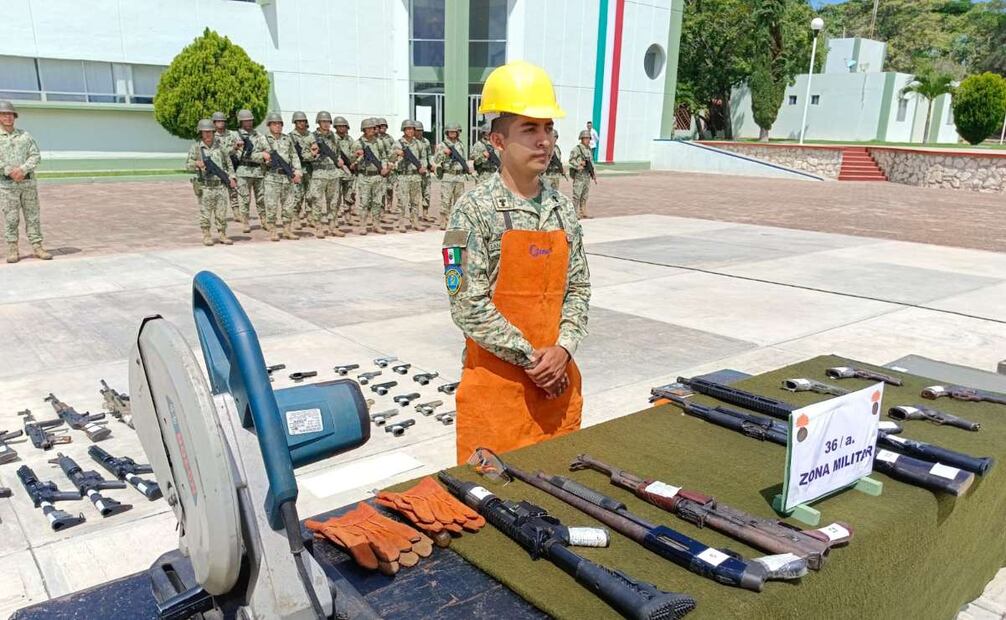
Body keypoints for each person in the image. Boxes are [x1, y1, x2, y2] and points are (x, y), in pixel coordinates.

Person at [443, 60, 591, 464]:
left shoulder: (563, 209)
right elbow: (466, 304)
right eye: (529, 129)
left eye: (548, 129)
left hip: (557, 389)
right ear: (498, 141)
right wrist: (533, 359)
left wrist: (563, 349)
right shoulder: (471, 211)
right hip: (497, 395)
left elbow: (578, 289)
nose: (544, 141)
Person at [1, 100, 51, 263]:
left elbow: (35, 155)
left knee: (33, 216)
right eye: (4, 114)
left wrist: (23, 170)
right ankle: (13, 249)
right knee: (11, 218)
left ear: (14, 117)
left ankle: (37, 247)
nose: (8, 117)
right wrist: (10, 171)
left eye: (10, 114)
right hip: (7, 186)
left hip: (27, 184)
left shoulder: (25, 135)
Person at [186, 119, 238, 246]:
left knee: (221, 212)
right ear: (201, 133)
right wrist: (196, 164)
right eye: (205, 132)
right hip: (205, 186)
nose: (208, 134)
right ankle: (207, 235)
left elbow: (228, 164)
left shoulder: (221, 147)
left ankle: (222, 234)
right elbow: (187, 165)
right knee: (205, 213)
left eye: (210, 132)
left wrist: (232, 177)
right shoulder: (196, 148)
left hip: (220, 185)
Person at [261, 112, 303, 241]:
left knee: (288, 205)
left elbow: (294, 156)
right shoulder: (263, 139)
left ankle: (287, 230)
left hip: (287, 177)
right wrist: (263, 157)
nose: (278, 126)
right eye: (274, 124)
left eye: (279, 124)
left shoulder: (287, 139)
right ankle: (273, 231)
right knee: (271, 205)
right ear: (269, 125)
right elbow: (252, 155)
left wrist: (298, 172)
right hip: (271, 177)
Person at [309, 111, 347, 238]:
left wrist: (340, 160)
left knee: (334, 202)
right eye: (323, 122)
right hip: (319, 173)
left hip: (333, 173)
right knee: (317, 202)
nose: (326, 124)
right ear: (318, 123)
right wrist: (313, 153)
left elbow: (338, 152)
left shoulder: (334, 137)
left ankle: (333, 226)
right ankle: (318, 227)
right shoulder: (311, 137)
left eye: (328, 122)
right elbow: (304, 155)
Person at [350, 117, 390, 235]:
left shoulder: (379, 142)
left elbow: (384, 157)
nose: (373, 130)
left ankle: (376, 224)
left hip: (377, 176)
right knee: (364, 202)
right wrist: (357, 156)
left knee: (377, 202)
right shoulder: (358, 143)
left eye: (373, 128)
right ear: (364, 130)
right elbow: (351, 162)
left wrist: (384, 168)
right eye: (370, 128)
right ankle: (362, 225)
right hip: (365, 176)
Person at [388, 119, 426, 232]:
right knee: (402, 201)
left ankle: (415, 222)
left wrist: (423, 166)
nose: (410, 131)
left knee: (415, 201)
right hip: (403, 176)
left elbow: (423, 158)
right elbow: (390, 159)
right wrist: (396, 153)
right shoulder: (398, 143)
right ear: (403, 130)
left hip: (416, 176)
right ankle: (401, 223)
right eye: (407, 129)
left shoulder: (419, 144)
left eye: (412, 129)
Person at [234, 109, 269, 230]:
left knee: (261, 198)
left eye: (250, 120)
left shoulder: (259, 135)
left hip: (259, 172)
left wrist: (260, 156)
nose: (248, 122)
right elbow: (240, 155)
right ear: (241, 122)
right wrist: (260, 156)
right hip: (243, 172)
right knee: (244, 198)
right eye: (245, 121)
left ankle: (264, 221)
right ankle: (245, 222)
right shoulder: (236, 136)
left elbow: (268, 152)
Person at [432, 123, 469, 230]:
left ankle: (457, 221)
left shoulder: (460, 144)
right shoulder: (442, 145)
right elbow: (436, 160)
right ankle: (443, 221)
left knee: (459, 200)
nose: (452, 133)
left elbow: (463, 159)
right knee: (446, 200)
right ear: (447, 132)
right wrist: (443, 153)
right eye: (450, 131)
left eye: (454, 131)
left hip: (459, 176)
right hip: (448, 175)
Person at [211, 111, 243, 226]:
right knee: (217, 192)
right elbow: (219, 152)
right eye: (218, 121)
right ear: (214, 123)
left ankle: (236, 213)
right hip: (217, 167)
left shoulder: (233, 134)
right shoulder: (211, 136)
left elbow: (240, 147)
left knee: (233, 189)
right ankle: (218, 214)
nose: (221, 123)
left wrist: (237, 150)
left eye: (222, 121)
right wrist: (233, 149)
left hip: (231, 166)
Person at [288, 111, 318, 231]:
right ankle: (295, 217)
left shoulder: (310, 135)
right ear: (295, 122)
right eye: (299, 121)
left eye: (303, 121)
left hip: (309, 168)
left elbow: (315, 148)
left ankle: (310, 217)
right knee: (297, 194)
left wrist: (313, 152)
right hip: (297, 168)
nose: (301, 123)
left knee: (310, 194)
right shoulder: (290, 136)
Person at [332, 116, 357, 226]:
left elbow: (353, 153)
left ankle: (348, 215)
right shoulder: (332, 138)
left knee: (349, 195)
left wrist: (354, 162)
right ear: (336, 127)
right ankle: (335, 217)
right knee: (336, 196)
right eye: (339, 126)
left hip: (348, 172)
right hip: (336, 171)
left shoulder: (350, 140)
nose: (342, 128)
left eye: (344, 126)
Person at [569, 130, 595, 219]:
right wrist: (578, 165)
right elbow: (571, 160)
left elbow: (591, 162)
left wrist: (593, 173)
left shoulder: (589, 149)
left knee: (585, 195)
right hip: (579, 176)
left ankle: (583, 211)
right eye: (586, 138)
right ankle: (574, 213)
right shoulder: (577, 149)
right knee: (577, 195)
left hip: (587, 176)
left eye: (589, 138)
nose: (588, 140)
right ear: (581, 138)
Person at [376, 117, 396, 221]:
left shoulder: (390, 138)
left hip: (389, 165)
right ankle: (381, 208)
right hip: (379, 166)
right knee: (380, 189)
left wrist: (392, 163)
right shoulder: (375, 138)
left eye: (384, 126)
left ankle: (389, 205)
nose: (382, 128)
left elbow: (394, 151)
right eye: (380, 126)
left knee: (390, 188)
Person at [414, 120, 433, 222]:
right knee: (415, 195)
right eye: (417, 130)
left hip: (426, 171)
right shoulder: (411, 142)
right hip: (415, 172)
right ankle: (415, 215)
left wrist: (431, 165)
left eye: (421, 130)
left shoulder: (426, 142)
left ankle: (425, 213)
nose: (419, 132)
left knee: (427, 193)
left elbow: (429, 155)